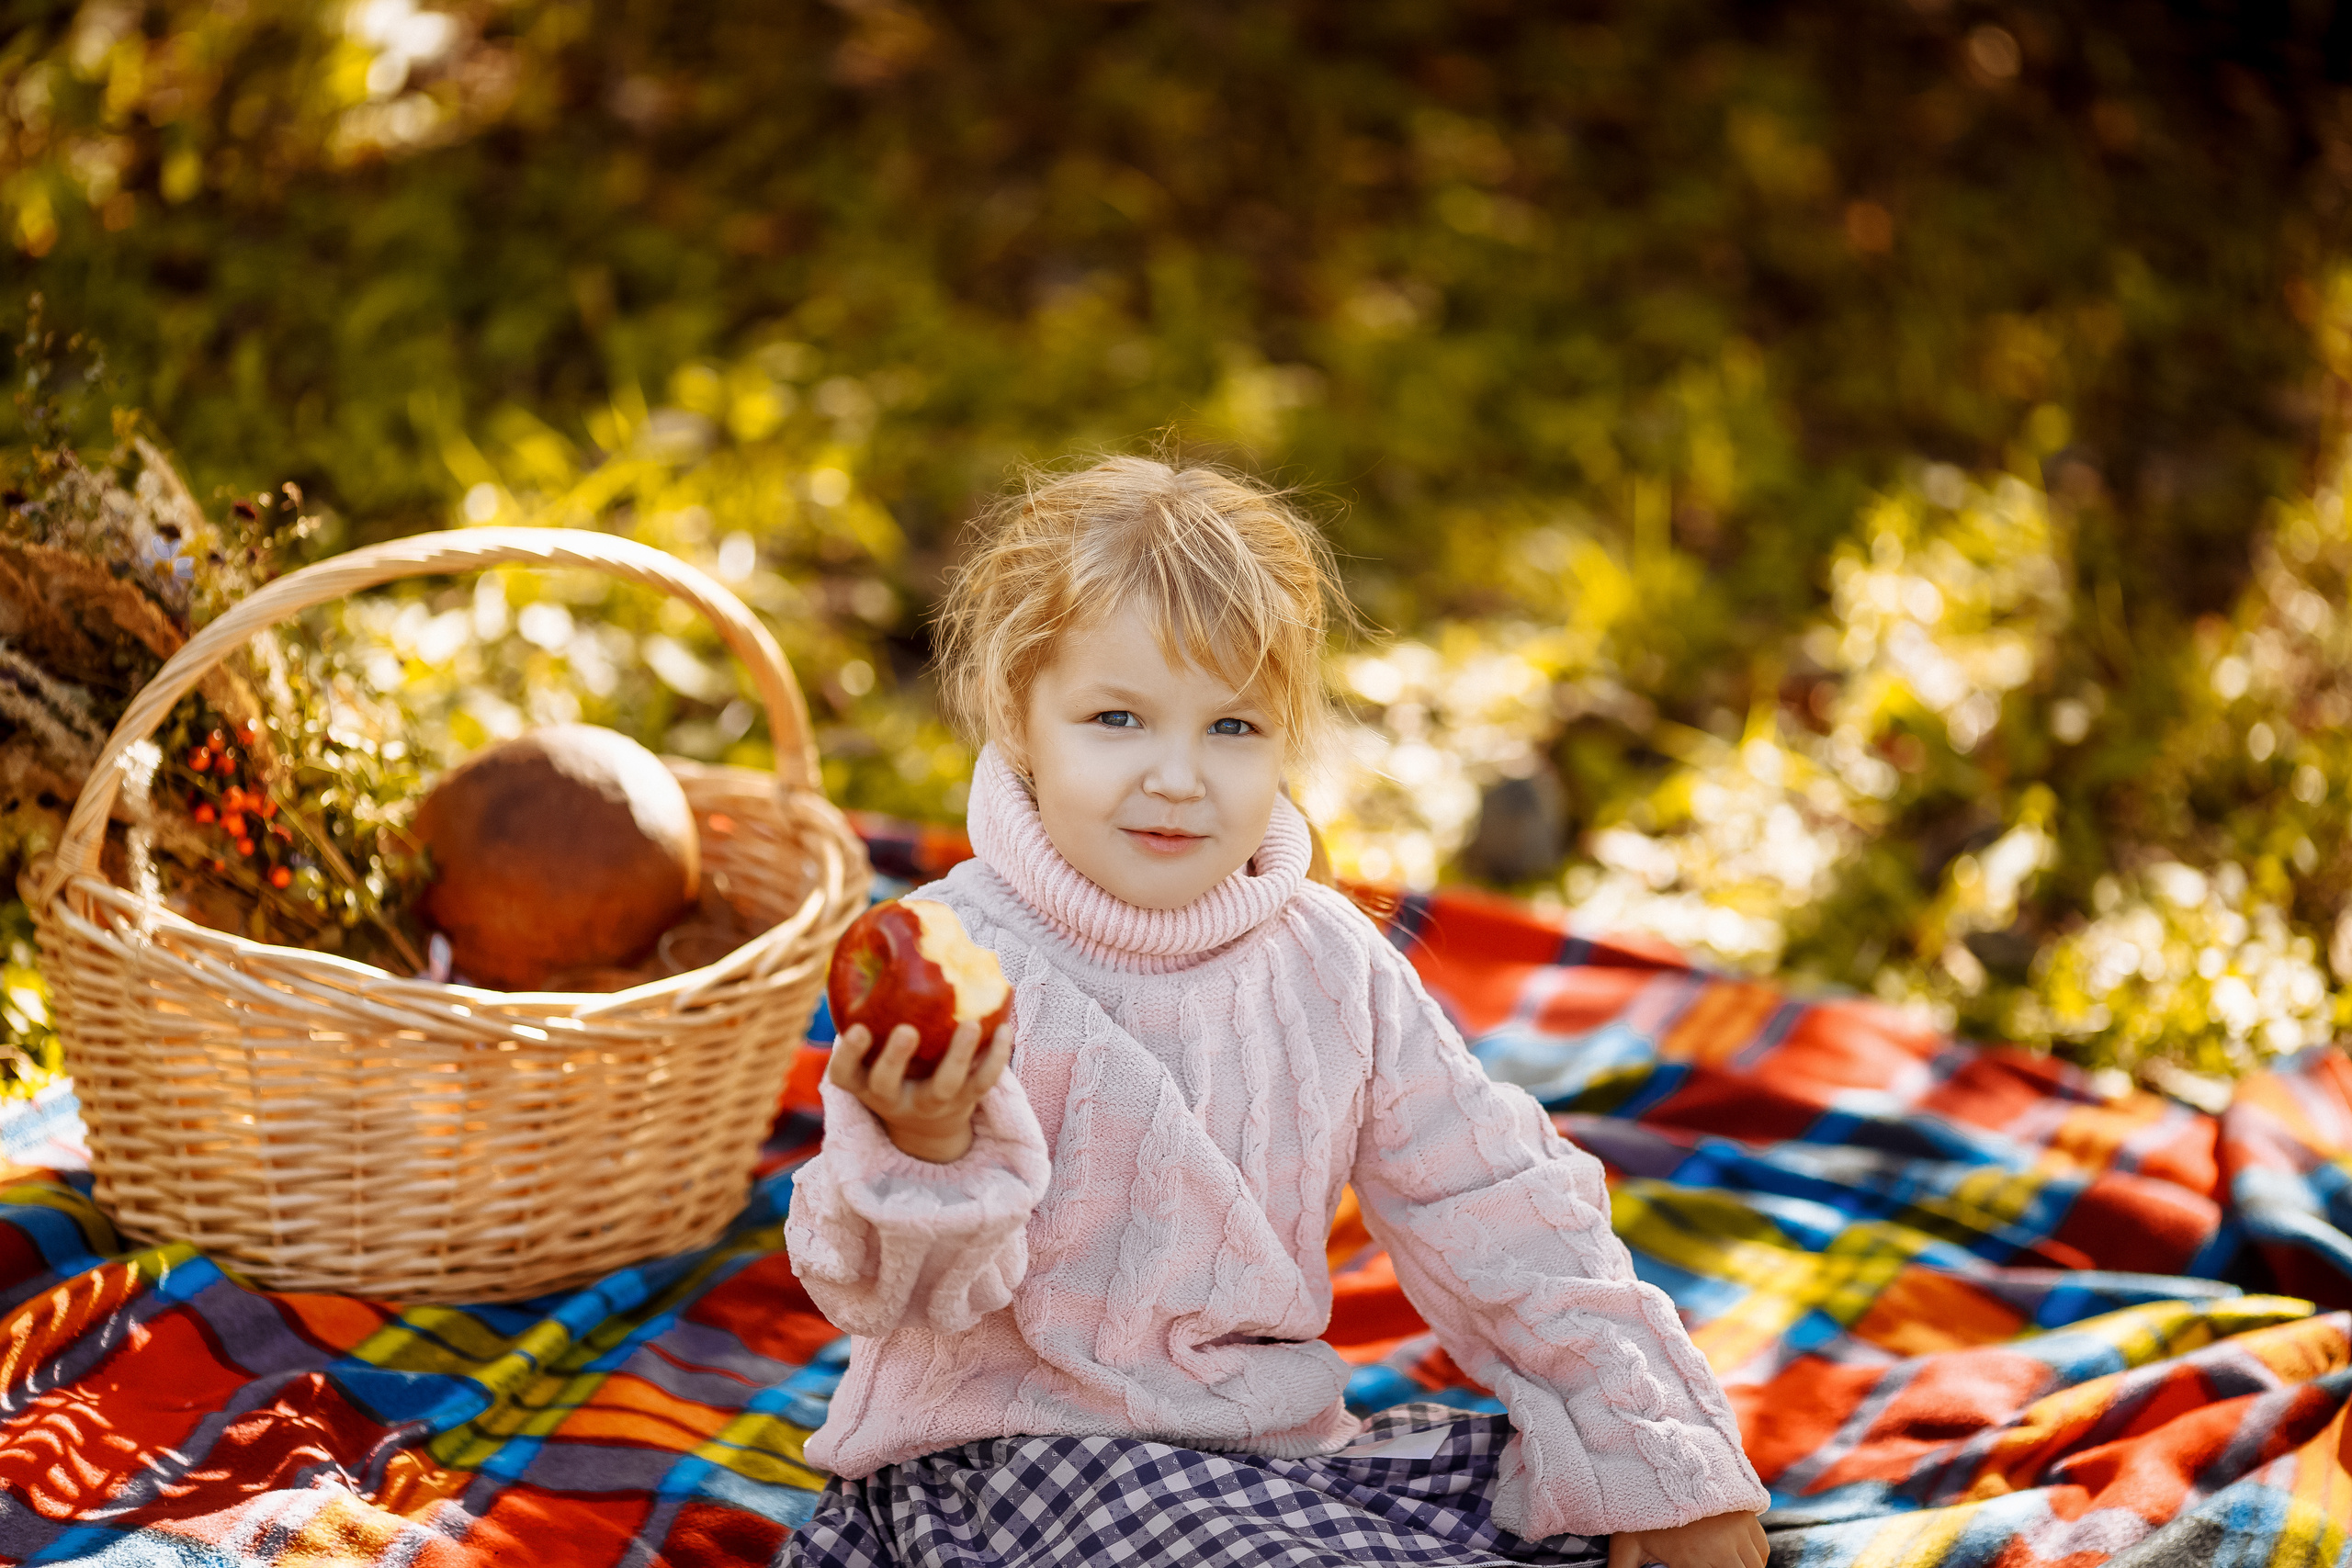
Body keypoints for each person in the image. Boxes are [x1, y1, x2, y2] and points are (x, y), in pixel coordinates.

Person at [780, 457, 1771, 1568]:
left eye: (1232, 729)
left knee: (1565, 1499)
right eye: (1116, 718)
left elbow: (1498, 1206)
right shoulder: (957, 959)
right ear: (1020, 718)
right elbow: (874, 1292)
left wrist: (1664, 1460)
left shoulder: (1327, 963)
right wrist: (924, 1143)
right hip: (1009, 1463)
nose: (1176, 776)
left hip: (1269, 1460)